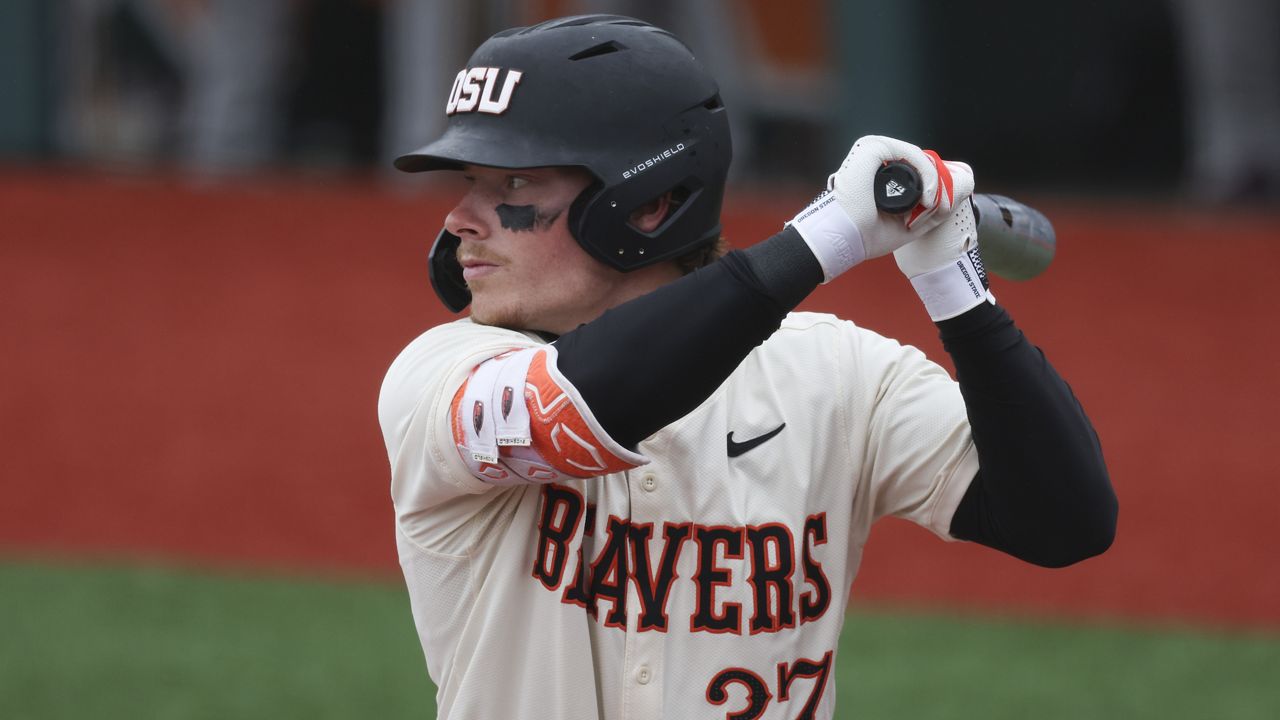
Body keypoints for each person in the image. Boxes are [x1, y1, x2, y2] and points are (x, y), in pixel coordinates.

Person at [377, 15, 1117, 720]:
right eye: (469, 181)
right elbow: (595, 395)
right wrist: (827, 234)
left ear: (647, 204)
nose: (458, 219)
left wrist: (958, 288)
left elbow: (1063, 521)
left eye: (511, 186)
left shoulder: (835, 373)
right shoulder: (443, 376)